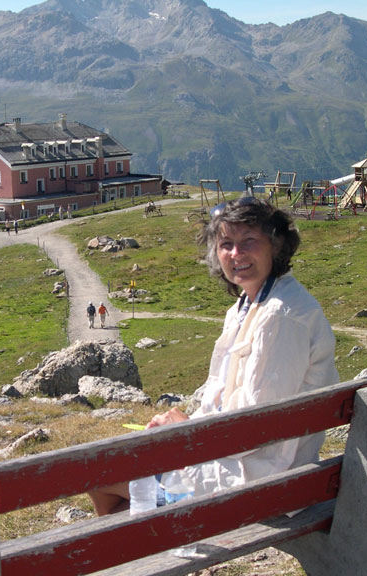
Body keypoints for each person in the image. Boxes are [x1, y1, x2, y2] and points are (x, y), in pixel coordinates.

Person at [88, 197, 339, 515]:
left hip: (260, 481)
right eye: (226, 244)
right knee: (118, 480)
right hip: (245, 465)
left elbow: (258, 429)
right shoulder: (251, 305)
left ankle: (161, 541)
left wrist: (184, 430)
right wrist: (179, 429)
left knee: (99, 475)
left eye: (249, 240)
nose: (236, 254)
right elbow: (227, 405)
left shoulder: (281, 316)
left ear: (276, 245)